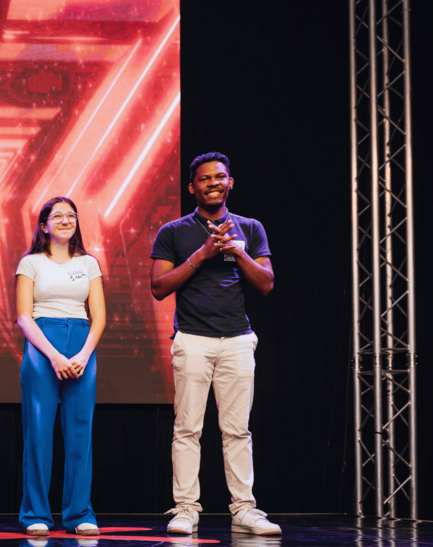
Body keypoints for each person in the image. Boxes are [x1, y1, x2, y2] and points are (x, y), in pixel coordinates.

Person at [149, 152, 280, 535]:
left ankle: (244, 508)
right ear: (192, 187)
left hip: (238, 339)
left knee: (237, 430)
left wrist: (236, 251)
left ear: (230, 182)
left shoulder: (250, 228)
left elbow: (267, 283)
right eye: (204, 179)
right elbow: (158, 287)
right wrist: (202, 254)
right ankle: (186, 508)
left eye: (219, 177)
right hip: (192, 339)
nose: (213, 183)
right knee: (188, 428)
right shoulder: (173, 231)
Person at [16, 197, 105, 537]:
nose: (66, 220)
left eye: (72, 215)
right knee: (39, 432)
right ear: (44, 225)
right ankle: (35, 513)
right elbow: (24, 316)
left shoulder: (89, 263)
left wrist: (83, 354)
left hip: (82, 344)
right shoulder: (31, 263)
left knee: (80, 433)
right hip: (43, 344)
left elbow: (99, 316)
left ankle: (79, 512)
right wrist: (53, 355)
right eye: (58, 216)